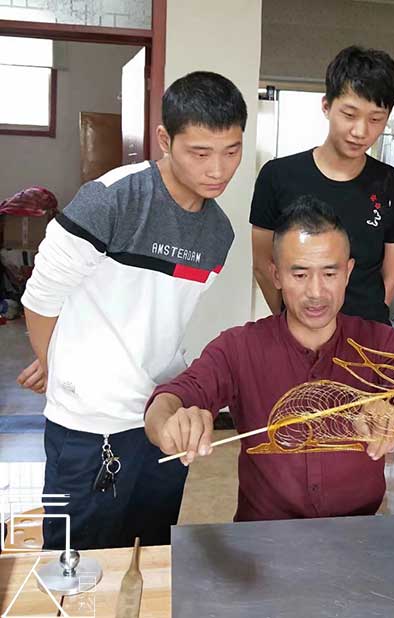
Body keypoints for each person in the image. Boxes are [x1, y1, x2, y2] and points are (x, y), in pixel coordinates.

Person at [17, 71, 248, 549]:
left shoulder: (218, 233)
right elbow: (41, 298)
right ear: (165, 139)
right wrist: (59, 367)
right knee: (78, 560)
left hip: (163, 413)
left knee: (151, 549)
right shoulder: (112, 200)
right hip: (90, 424)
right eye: (200, 153)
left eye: (232, 151)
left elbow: (158, 315)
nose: (218, 170)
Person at [145, 197, 394, 522]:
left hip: (358, 533)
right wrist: (170, 423)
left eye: (330, 273)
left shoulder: (380, 343)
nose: (316, 292)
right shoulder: (239, 347)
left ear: (348, 272)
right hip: (264, 537)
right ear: (276, 275)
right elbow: (168, 401)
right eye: (300, 274)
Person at [250, 45, 394, 325]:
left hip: (367, 336)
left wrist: (356, 328)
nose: (360, 131)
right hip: (298, 333)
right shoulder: (277, 175)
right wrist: (294, 321)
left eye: (375, 119)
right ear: (326, 106)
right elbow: (265, 267)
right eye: (349, 115)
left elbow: (393, 277)